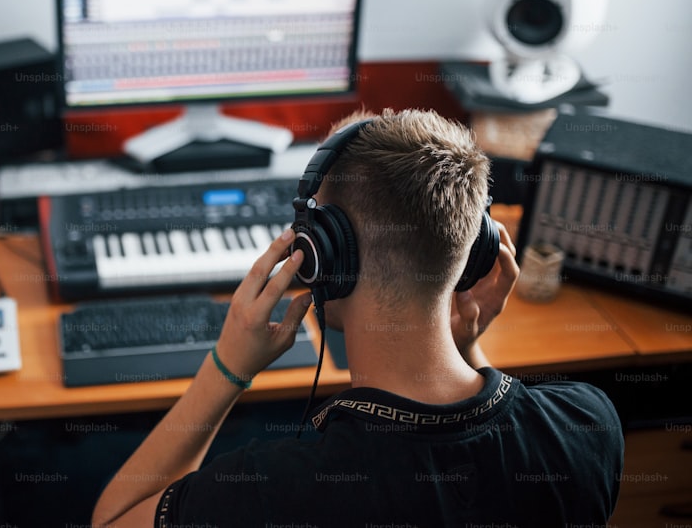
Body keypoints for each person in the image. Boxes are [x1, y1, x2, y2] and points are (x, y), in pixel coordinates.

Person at [91, 108, 624, 527]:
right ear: (473, 254)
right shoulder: (589, 426)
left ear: (327, 256)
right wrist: (467, 347)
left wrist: (230, 363)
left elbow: (112, 520)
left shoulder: (268, 493)